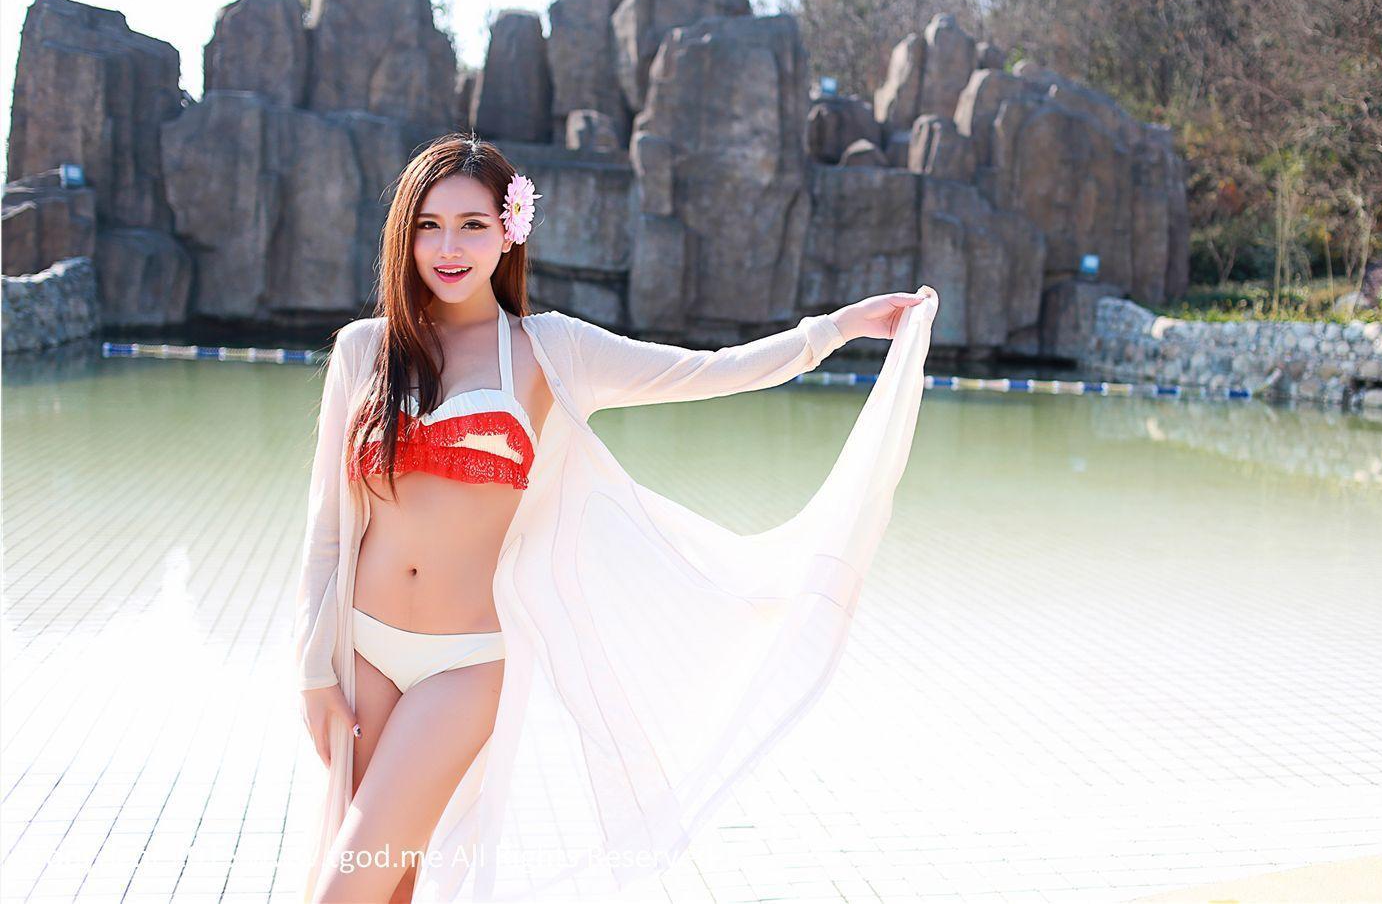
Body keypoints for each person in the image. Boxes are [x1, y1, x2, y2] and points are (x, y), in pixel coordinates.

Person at [293, 132, 939, 902]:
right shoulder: (364, 352)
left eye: (472, 224)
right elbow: (327, 528)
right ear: (405, 236)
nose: (450, 246)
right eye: (429, 225)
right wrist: (312, 669)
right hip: (361, 652)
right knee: (387, 881)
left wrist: (835, 328)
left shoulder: (548, 350)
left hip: (463, 666)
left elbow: (711, 372)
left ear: (509, 230)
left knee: (343, 887)